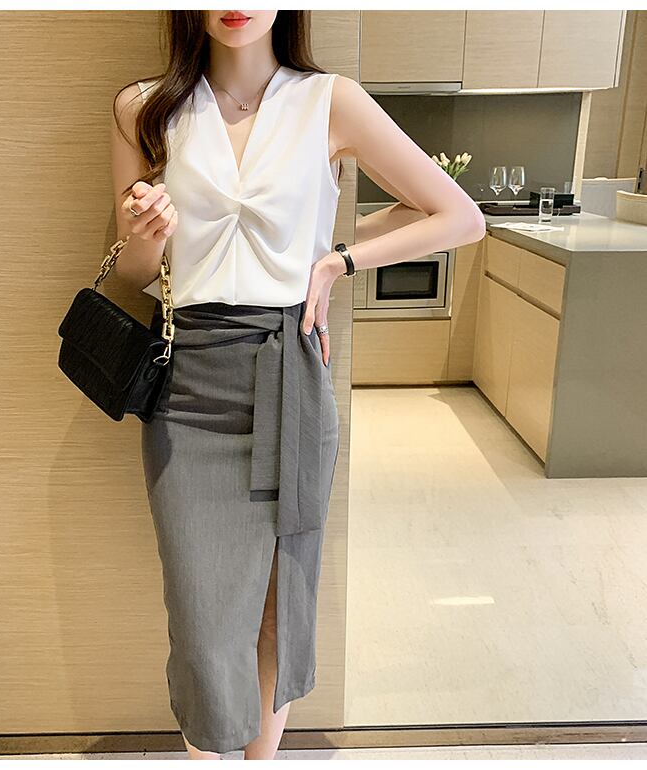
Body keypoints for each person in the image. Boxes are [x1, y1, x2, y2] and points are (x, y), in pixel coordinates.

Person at [110, 10, 486, 761]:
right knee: (203, 620)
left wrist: (338, 259)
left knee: (282, 604)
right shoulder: (143, 108)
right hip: (189, 384)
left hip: (292, 370)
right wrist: (146, 233)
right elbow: (129, 272)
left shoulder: (329, 100)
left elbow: (458, 215)